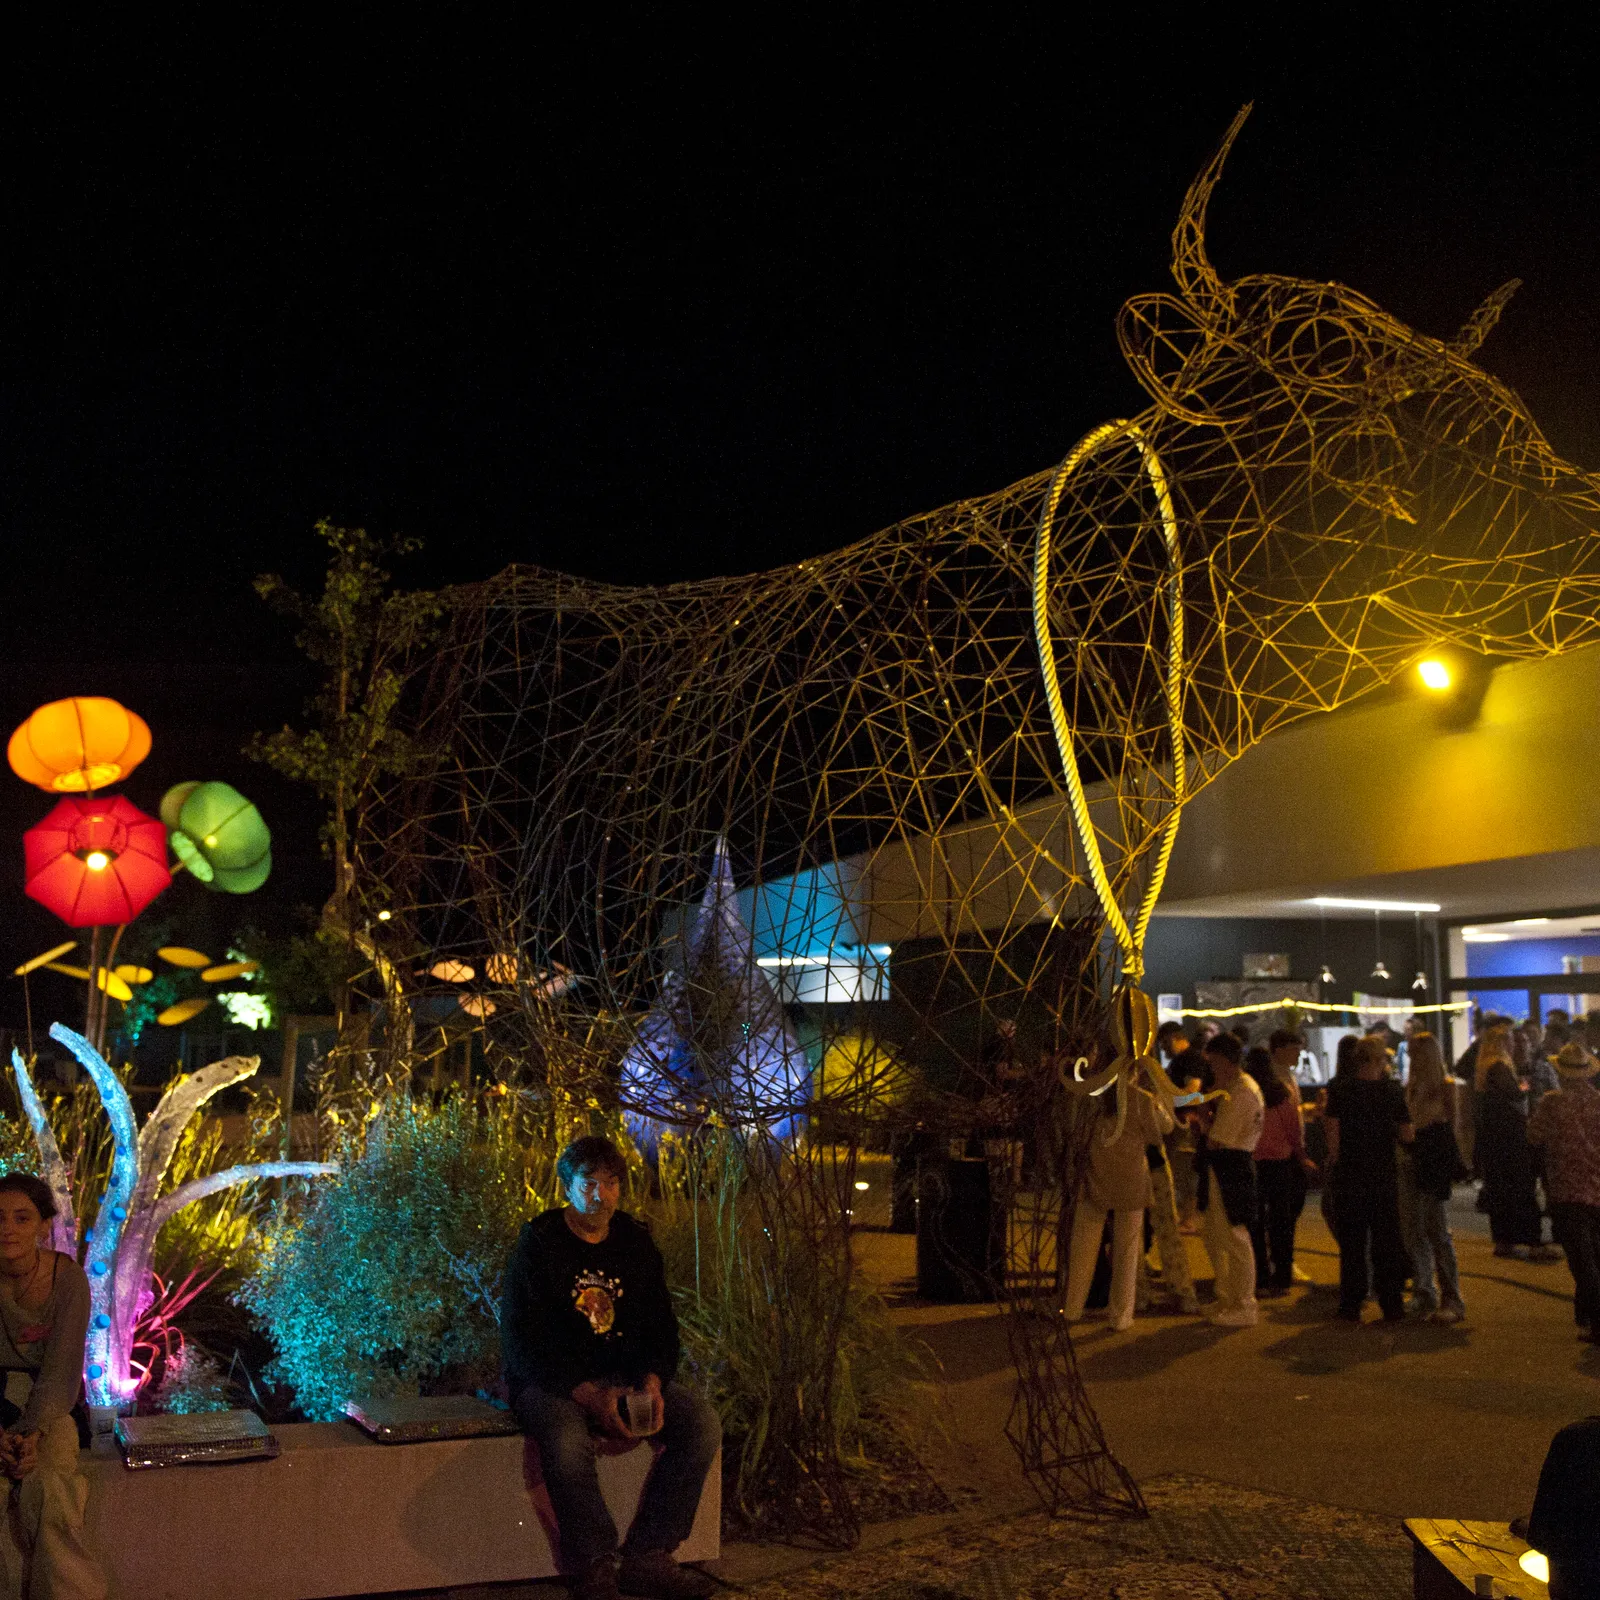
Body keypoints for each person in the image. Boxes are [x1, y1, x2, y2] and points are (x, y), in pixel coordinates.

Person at [500, 1137, 721, 1600]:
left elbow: (661, 1325)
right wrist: (590, 1396)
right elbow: (525, 1341)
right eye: (590, 1184)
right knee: (565, 1439)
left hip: (622, 1375)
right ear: (567, 1187)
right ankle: (595, 1565)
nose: (602, 1195)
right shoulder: (540, 1243)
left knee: (699, 1422)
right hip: (552, 1380)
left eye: (612, 1183)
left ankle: (649, 1555)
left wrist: (654, 1383)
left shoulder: (633, 1241)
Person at [0, 1172, 105, 1600]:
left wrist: (30, 1433)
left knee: (53, 1492)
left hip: (49, 1406)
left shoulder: (68, 1281)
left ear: (44, 1226)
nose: (7, 1229)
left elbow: (62, 1371)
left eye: (22, 1218)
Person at [1063, 1069, 1175, 1331]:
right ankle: (1121, 1315)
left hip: (1095, 1175)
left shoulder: (1088, 1097)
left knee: (1083, 1247)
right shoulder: (1141, 1098)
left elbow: (1074, 1135)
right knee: (1126, 1250)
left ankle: (1072, 1309)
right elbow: (1163, 1129)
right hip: (1131, 1177)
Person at [1325, 1035, 1413, 1322]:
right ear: (1378, 1060)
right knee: (1385, 1239)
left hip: (1350, 1172)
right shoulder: (1391, 1090)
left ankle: (1351, 1303)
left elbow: (1332, 1133)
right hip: (1382, 1172)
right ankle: (1391, 1303)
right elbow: (1406, 1133)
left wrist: (1338, 1161)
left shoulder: (1339, 1088)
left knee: (1352, 1242)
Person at [1528, 1041, 1600, 1340]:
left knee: (1580, 1258)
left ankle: (1595, 1317)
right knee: (1594, 1254)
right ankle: (1585, 1316)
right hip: (1597, 1188)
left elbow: (1533, 1135)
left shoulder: (1552, 1103)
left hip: (1565, 1188)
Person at [1195, 1032, 1264, 1328]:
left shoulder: (1242, 1092)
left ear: (1224, 1060)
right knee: (1215, 1232)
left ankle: (1244, 1304)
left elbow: (1217, 1139)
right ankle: (1228, 1297)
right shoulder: (1236, 1088)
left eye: (1213, 1062)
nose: (1211, 1069)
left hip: (1232, 1165)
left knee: (1234, 1237)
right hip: (1227, 1165)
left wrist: (1201, 1115)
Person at [1401, 1032, 1466, 1323]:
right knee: (1413, 1229)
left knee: (1437, 1230)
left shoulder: (1445, 1087)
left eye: (1415, 1052)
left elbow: (1453, 1129)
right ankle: (1424, 1290)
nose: (1410, 1057)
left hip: (1432, 1160)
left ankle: (1451, 1296)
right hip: (1412, 1159)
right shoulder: (1411, 1087)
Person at [1478, 1061, 1560, 1262]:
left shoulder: (1486, 1102)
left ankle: (1504, 1240)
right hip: (1515, 1157)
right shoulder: (1508, 1103)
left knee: (1500, 1198)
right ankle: (1533, 1243)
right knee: (1523, 1197)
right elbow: (1521, 1127)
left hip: (1496, 1161)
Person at [1250, 1046, 1310, 1297]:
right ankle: (1283, 1275)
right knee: (1281, 1220)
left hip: (1253, 1161)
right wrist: (1301, 1156)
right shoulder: (1280, 1093)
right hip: (1281, 1162)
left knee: (1255, 1221)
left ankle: (1260, 1275)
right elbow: (1293, 1130)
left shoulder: (1248, 1092)